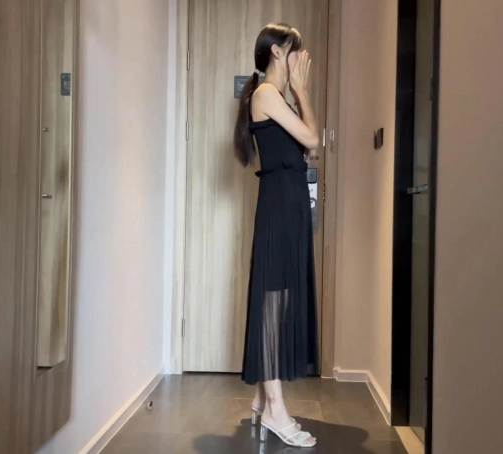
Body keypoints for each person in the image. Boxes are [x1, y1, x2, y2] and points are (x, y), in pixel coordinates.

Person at [234, 23, 320, 448]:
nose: (301, 58)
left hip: (288, 203)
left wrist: (299, 94)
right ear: (276, 53)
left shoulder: (276, 98)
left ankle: (262, 397)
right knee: (273, 300)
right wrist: (303, 91)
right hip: (279, 205)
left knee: (281, 299)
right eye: (295, 51)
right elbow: (313, 138)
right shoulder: (267, 94)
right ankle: (274, 408)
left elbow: (312, 149)